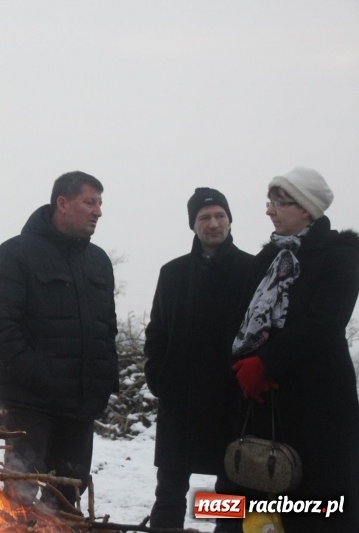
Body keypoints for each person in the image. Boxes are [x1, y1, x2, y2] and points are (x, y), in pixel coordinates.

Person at [231, 167, 359, 532]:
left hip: (319, 406)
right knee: (260, 506)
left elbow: (325, 322)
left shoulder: (340, 255)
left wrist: (267, 364)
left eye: (279, 202)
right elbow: (240, 321)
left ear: (306, 208)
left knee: (318, 507)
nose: (270, 211)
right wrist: (244, 368)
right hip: (264, 404)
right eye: (269, 202)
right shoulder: (266, 259)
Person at [0, 171, 118, 507]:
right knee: (19, 497)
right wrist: (37, 375)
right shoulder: (17, 253)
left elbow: (106, 328)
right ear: (62, 203)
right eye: (89, 202)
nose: (98, 211)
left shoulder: (98, 261)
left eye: (100, 203)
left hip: (80, 410)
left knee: (67, 498)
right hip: (31, 408)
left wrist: (103, 382)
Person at [143, 188, 253, 531]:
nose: (213, 223)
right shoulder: (173, 273)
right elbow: (157, 329)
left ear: (230, 220)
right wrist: (156, 376)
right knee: (170, 486)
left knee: (232, 485)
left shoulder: (252, 270)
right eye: (204, 217)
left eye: (220, 215)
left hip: (231, 397)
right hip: (180, 397)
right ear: (193, 225)